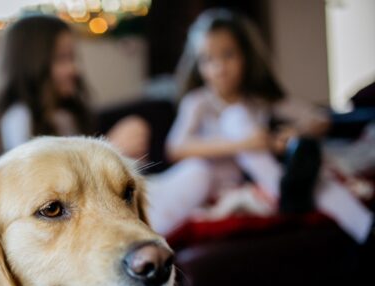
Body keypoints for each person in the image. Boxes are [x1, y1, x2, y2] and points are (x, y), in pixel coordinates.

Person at [147, 8, 373, 243]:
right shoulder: (198, 102)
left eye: (228, 55)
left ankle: (366, 229)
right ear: (197, 64)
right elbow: (176, 147)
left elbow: (319, 119)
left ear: (245, 55)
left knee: (319, 183)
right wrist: (244, 143)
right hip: (207, 180)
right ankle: (282, 189)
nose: (219, 68)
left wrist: (291, 133)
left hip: (253, 179)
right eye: (207, 60)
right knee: (230, 126)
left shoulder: (259, 100)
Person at [0, 15, 150, 160]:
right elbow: (39, 180)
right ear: (33, 64)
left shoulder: (66, 115)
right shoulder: (19, 118)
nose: (74, 69)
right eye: (62, 59)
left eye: (73, 58)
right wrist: (111, 150)